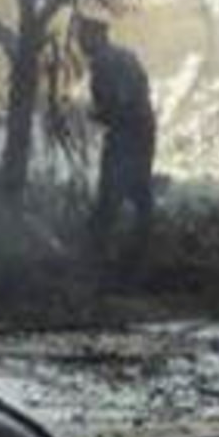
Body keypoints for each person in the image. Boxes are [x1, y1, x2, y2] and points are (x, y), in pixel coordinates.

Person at [77, 16, 157, 267]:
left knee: (110, 195)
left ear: (97, 36)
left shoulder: (104, 63)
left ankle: (99, 257)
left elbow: (119, 103)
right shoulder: (125, 55)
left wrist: (95, 114)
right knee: (139, 191)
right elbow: (142, 92)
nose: (80, 43)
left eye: (84, 37)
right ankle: (142, 250)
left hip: (127, 133)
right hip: (143, 130)